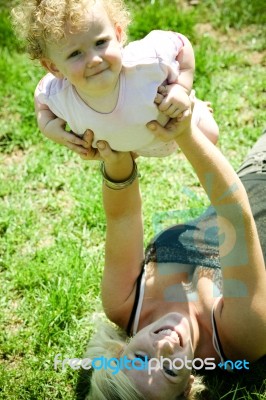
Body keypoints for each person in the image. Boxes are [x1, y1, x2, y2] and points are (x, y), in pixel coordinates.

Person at [73, 108, 265, 399]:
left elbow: (122, 217)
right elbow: (234, 215)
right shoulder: (242, 337)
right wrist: (186, 134)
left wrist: (116, 160)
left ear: (118, 351)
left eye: (140, 359)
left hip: (254, 169)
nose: (163, 347)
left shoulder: (124, 301)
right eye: (169, 370)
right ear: (188, 387)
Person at [11, 0, 219, 159]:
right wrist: (47, 127)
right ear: (54, 67)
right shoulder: (59, 93)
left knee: (210, 134)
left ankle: (197, 106)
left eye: (100, 42)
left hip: (175, 117)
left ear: (118, 35)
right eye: (75, 54)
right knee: (120, 168)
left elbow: (180, 43)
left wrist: (181, 87)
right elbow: (41, 96)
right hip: (134, 147)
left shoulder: (145, 62)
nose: (94, 59)